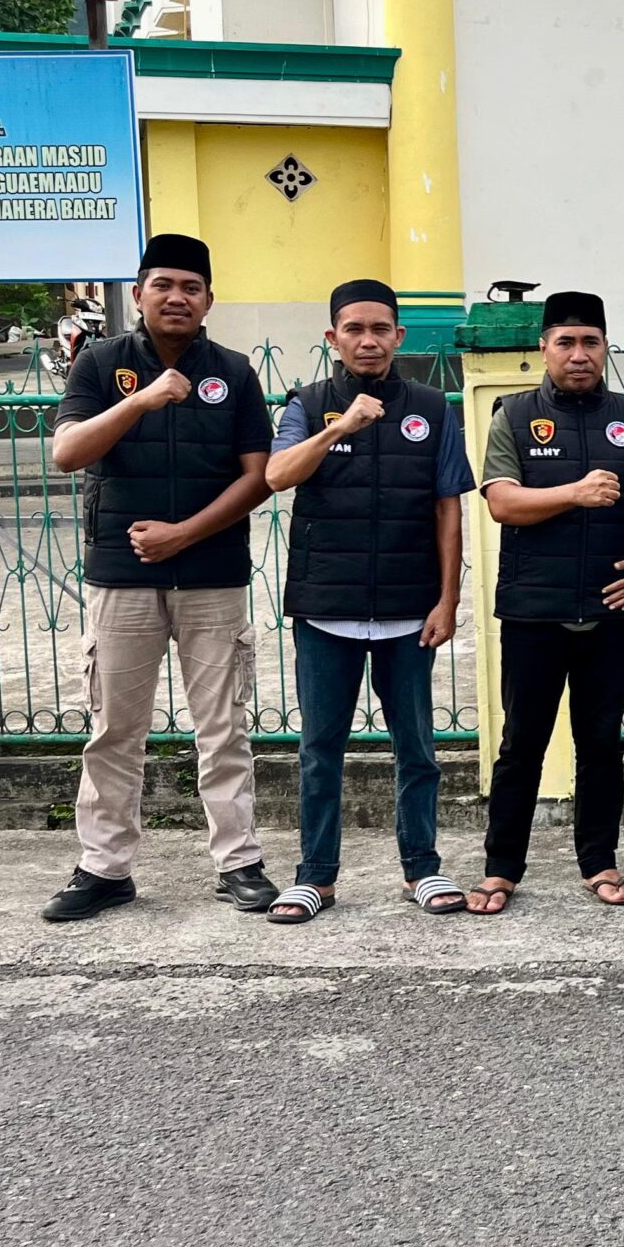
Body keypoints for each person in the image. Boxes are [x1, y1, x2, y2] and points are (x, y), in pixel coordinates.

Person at [41, 233, 278, 922]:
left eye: (191, 288)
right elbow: (67, 452)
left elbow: (259, 476)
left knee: (223, 728)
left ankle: (238, 862)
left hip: (212, 574)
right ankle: (104, 868)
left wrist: (185, 533)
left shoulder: (233, 372)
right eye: (164, 285)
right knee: (115, 729)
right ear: (139, 293)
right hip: (122, 577)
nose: (178, 298)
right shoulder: (100, 364)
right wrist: (140, 401)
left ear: (209, 300)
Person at [261, 279, 472, 925]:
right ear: (333, 337)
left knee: (418, 749)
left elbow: (448, 507)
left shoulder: (432, 407)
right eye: (354, 329)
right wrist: (340, 428)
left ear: (398, 336)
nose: (368, 340)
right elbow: (277, 475)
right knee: (320, 749)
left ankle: (422, 868)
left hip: (409, 609)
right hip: (326, 607)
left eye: (381, 329)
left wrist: (447, 599)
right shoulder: (307, 404)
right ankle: (315, 878)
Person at [478, 291, 624, 913]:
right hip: (532, 611)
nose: (578, 354)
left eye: (590, 342)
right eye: (565, 342)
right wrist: (574, 492)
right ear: (544, 348)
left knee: (600, 742)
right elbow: (502, 503)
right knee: (522, 744)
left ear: (605, 349)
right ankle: (501, 869)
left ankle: (600, 862)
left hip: (609, 611)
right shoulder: (515, 416)